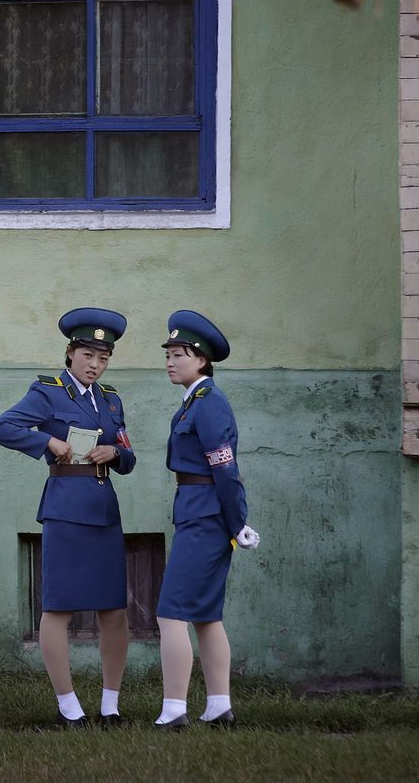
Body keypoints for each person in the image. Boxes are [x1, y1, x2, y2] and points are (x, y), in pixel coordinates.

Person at [0, 307, 137, 728]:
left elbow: (130, 456)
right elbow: (0, 428)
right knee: (59, 608)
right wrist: (47, 441)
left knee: (114, 610)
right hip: (65, 509)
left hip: (104, 509)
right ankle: (69, 707)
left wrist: (116, 453)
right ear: (70, 353)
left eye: (103, 358)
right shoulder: (47, 391)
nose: (95, 364)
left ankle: (110, 706)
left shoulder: (111, 400)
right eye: (88, 355)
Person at [154, 310, 260, 730]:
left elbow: (225, 468)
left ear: (201, 360)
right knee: (206, 615)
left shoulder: (208, 403)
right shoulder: (195, 402)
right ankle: (218, 706)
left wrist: (237, 523)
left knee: (171, 613)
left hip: (206, 515)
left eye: (179, 354)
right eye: (168, 354)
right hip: (203, 512)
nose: (170, 361)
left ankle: (174, 709)